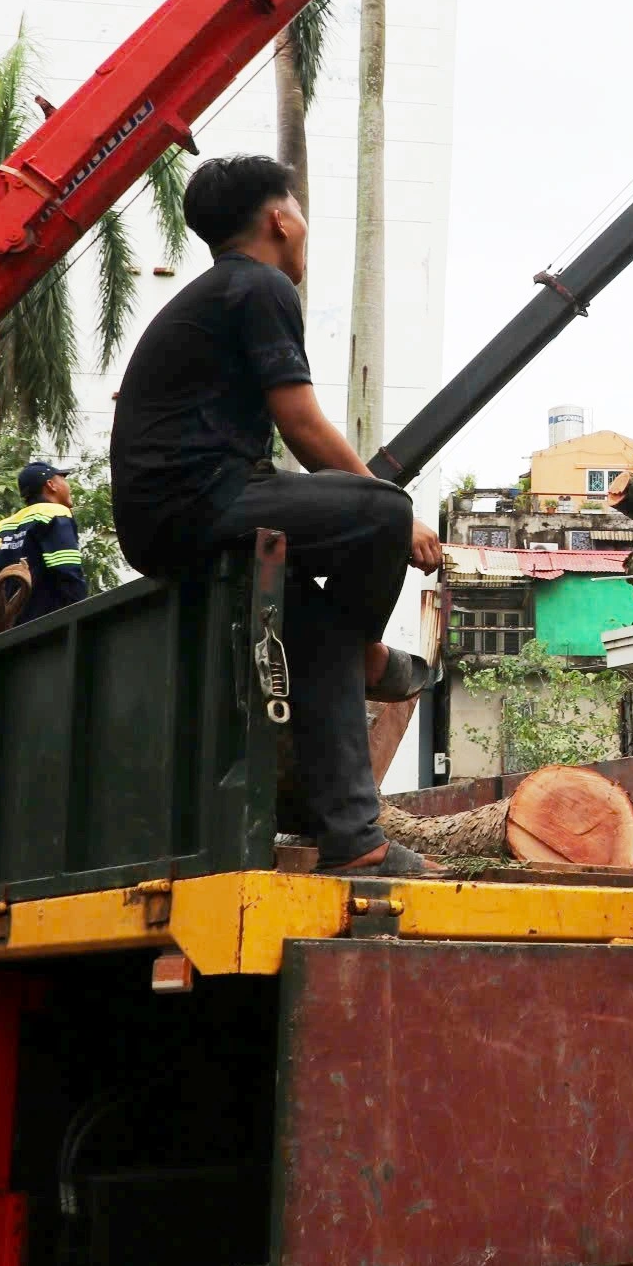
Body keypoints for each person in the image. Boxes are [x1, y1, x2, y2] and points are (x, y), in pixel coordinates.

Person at [109, 154, 443, 877]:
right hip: (199, 502)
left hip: (179, 510)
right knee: (381, 512)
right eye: (302, 214)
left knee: (318, 627)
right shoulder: (259, 286)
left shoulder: (217, 294)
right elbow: (301, 423)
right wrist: (394, 514)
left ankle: (355, 842)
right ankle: (367, 658)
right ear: (280, 219)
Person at [0, 460, 90, 636]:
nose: (68, 485)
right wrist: (82, 616)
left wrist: (1, 607)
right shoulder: (55, 512)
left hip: (5, 633)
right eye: (63, 478)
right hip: (46, 628)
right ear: (51, 485)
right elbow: (67, 570)